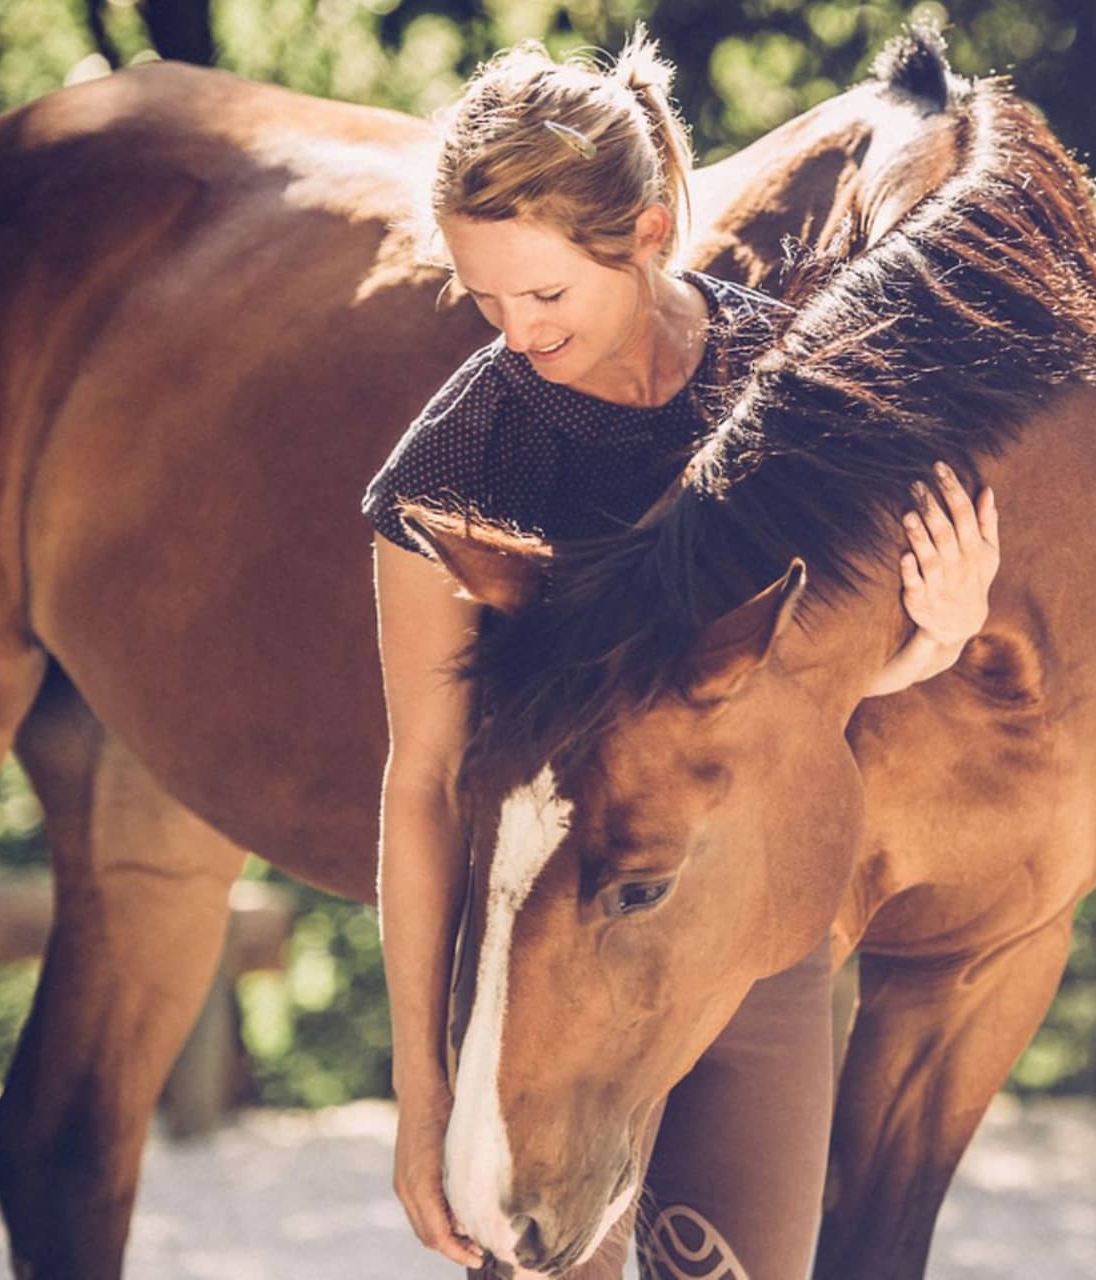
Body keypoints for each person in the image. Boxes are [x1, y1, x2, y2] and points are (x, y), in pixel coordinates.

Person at [360, 27, 1001, 1279]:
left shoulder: (791, 396)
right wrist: (422, 1087)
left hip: (749, 944)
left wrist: (940, 629)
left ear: (648, 233)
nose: (516, 331)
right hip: (552, 969)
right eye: (485, 299)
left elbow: (783, 691)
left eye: (546, 295)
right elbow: (424, 779)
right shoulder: (457, 462)